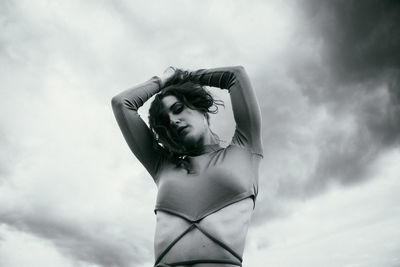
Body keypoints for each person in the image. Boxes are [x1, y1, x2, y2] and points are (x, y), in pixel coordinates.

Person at [111, 66, 263, 267]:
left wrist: (184, 76)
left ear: (199, 107)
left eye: (178, 109)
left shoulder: (245, 150)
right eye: (165, 121)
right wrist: (162, 80)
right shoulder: (162, 166)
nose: (173, 121)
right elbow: (122, 104)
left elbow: (235, 76)